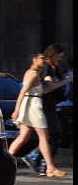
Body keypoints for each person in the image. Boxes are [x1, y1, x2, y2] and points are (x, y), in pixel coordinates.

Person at [7, 52, 68, 178]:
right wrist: (16, 110)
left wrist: (63, 82)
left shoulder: (33, 73)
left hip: (31, 104)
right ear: (35, 59)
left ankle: (4, 160)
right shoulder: (33, 74)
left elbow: (39, 91)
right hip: (33, 107)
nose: (44, 61)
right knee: (44, 137)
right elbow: (23, 91)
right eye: (41, 58)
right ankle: (50, 167)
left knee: (23, 138)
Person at [24, 44, 70, 174]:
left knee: (50, 136)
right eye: (60, 56)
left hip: (50, 105)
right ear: (54, 55)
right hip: (45, 106)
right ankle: (36, 158)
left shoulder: (53, 68)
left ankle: (42, 162)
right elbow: (50, 86)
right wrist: (67, 81)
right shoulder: (47, 69)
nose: (61, 59)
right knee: (53, 135)